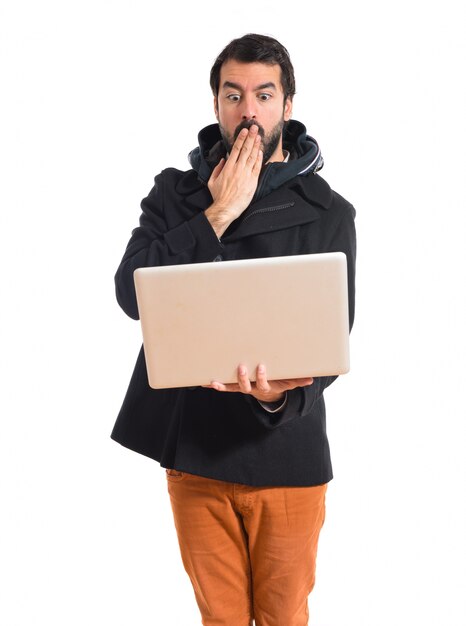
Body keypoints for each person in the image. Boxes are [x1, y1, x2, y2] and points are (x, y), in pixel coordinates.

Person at [111, 33, 356, 626]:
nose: (249, 110)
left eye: (264, 95)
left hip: (288, 459)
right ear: (216, 104)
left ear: (287, 105)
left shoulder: (331, 212)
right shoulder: (176, 194)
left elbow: (332, 338)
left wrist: (277, 395)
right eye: (234, 94)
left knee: (283, 618)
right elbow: (131, 293)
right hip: (195, 451)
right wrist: (216, 213)